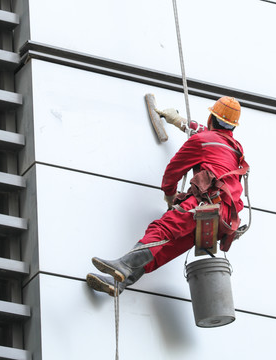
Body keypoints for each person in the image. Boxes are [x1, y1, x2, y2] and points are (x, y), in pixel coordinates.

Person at [86, 96, 248, 296]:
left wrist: (170, 197)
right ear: (233, 127)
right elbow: (210, 135)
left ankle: (123, 266)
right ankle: (119, 283)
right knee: (165, 249)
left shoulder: (201, 140)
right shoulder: (235, 149)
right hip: (221, 222)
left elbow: (173, 172)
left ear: (210, 118)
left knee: (161, 230)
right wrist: (179, 121)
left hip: (205, 206)